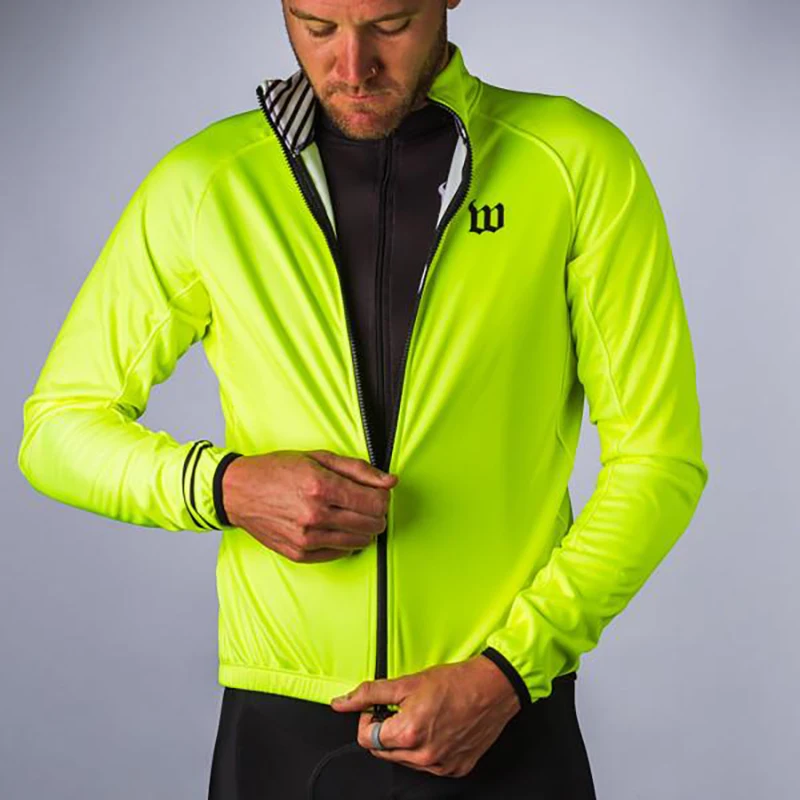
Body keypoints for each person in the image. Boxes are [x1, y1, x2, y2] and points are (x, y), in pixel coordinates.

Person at [17, 0, 709, 797]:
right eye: (316, 26)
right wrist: (224, 486)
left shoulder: (574, 161)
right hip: (281, 730)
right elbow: (57, 429)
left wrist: (511, 669)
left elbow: (659, 462)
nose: (351, 67)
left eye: (389, 25)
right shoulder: (208, 183)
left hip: (503, 711)